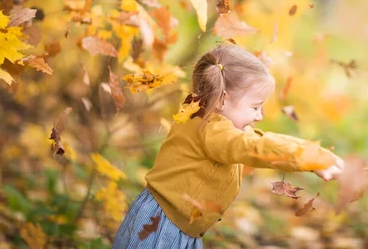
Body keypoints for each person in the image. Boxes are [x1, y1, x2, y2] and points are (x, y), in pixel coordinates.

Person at [113, 44, 344, 248]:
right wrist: (312, 158)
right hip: (162, 225)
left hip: (178, 224)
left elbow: (263, 139)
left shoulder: (205, 114)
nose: (260, 116)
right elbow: (254, 147)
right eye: (255, 107)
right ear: (223, 99)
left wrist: (316, 155)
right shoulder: (213, 130)